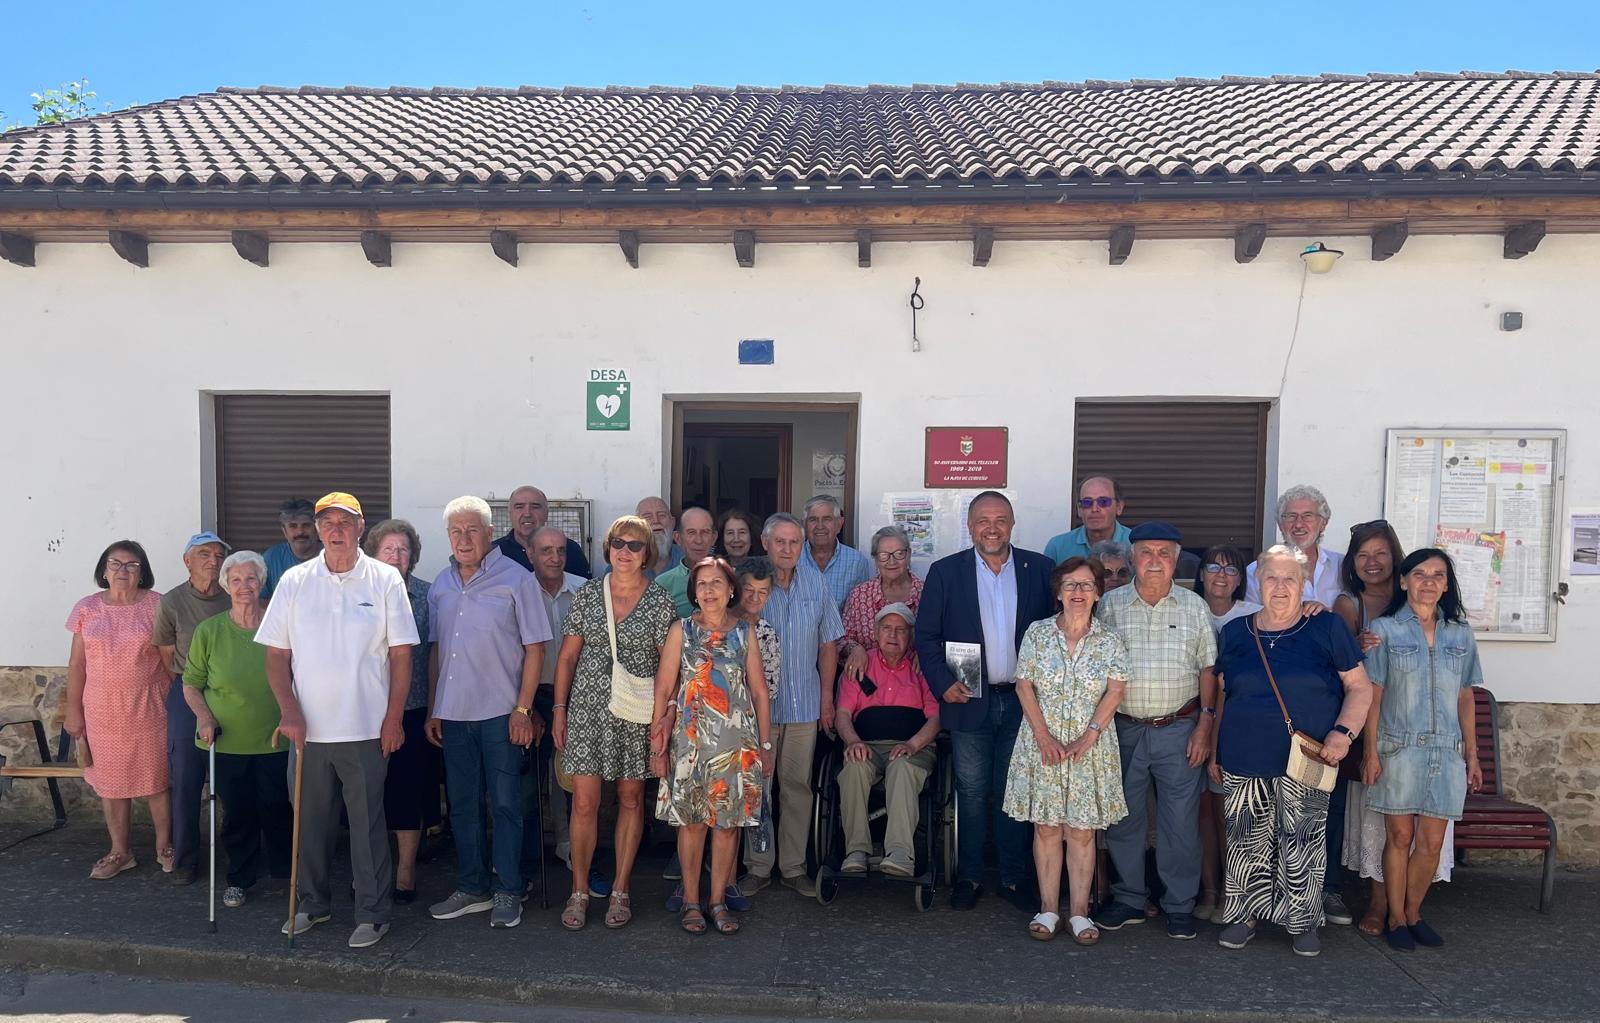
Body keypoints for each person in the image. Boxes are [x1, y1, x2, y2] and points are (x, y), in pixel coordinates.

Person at [256, 492, 419, 949]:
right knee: (309, 824)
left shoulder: (385, 579)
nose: (335, 529)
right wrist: (289, 712)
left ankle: (373, 913)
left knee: (368, 827)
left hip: (367, 729)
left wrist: (393, 719)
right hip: (309, 733)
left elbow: (402, 656)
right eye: (326, 522)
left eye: (344, 521)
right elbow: (275, 657)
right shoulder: (294, 580)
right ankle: (312, 904)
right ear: (318, 527)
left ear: (360, 526)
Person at [1211, 545, 1373, 958]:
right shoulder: (1234, 632)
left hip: (1308, 757)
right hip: (1244, 752)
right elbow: (1226, 695)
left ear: (1303, 585)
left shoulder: (1327, 628)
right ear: (1257, 583)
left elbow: (1359, 687)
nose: (1280, 587)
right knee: (1246, 840)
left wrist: (1343, 734)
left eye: (1289, 579)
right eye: (1271, 578)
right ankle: (1243, 916)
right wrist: (1215, 750)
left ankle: (1301, 921)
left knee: (1302, 839)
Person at [915, 491, 1055, 912]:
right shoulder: (945, 573)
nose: (991, 528)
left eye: (1000, 520)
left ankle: (1013, 879)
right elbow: (926, 637)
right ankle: (970, 877)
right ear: (970, 526)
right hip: (967, 696)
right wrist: (942, 684)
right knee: (972, 792)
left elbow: (1054, 631)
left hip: (1022, 701)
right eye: (982, 520)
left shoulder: (1040, 569)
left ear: (1012, 525)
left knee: (1015, 792)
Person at [425, 497, 551, 930]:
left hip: (502, 713)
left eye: (472, 530)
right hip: (455, 716)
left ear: (488, 532)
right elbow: (438, 650)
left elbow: (536, 649)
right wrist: (436, 709)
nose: (464, 539)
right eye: (456, 531)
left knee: (506, 804)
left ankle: (509, 889)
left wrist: (523, 708)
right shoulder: (440, 584)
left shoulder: (517, 579)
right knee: (462, 805)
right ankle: (472, 885)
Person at [552, 515, 677, 930]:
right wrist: (559, 709)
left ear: (647, 553)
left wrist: (663, 718)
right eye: (619, 543)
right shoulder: (589, 596)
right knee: (584, 802)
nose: (625, 551)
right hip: (588, 711)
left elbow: (668, 666)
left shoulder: (659, 602)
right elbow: (567, 657)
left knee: (629, 798)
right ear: (608, 548)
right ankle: (580, 889)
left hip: (636, 712)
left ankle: (621, 888)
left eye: (635, 545)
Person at [1094, 522, 1217, 939]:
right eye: (1146, 552)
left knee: (1179, 822)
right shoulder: (1108, 606)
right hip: (1122, 728)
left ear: (1177, 559)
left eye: (1165, 553)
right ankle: (1128, 898)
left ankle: (1178, 903)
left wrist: (1205, 724)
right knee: (1123, 819)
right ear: (1132, 557)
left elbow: (1208, 669)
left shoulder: (1194, 606)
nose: (1155, 560)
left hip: (1179, 729)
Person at [1362, 549, 1483, 952]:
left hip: (1447, 752)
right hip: (1398, 749)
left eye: (1437, 575)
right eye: (1419, 574)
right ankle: (1396, 918)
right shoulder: (1384, 630)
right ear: (1403, 581)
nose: (1428, 582)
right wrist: (1371, 752)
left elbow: (1466, 697)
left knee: (1431, 842)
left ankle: (1414, 912)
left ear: (1446, 584)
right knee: (1399, 836)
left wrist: (1473, 754)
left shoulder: (1460, 634)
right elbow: (1373, 697)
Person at [1333, 521, 1451, 936]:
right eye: (1363, 555)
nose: (1372, 562)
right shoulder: (1350, 605)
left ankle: (1409, 910)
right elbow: (1338, 665)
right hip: (1381, 732)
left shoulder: (1420, 603)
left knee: (1418, 832)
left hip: (1428, 737)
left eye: (1380, 553)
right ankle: (1381, 906)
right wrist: (1356, 648)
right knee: (1381, 827)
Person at [1004, 557, 1129, 945]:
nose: (1078, 592)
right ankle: (1047, 908)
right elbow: (1023, 685)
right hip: (1042, 743)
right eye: (1071, 585)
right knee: (1046, 827)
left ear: (1097, 594)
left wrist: (1089, 736)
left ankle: (1078, 913)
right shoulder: (1038, 634)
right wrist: (1043, 736)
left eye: (1086, 585)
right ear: (1058, 592)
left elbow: (1116, 689)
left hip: (1090, 747)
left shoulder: (1109, 640)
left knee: (1081, 831)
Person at [650, 557, 774, 935]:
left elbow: (758, 690)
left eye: (716, 583)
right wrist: (657, 746)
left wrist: (765, 745)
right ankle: (691, 901)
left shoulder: (744, 633)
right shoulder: (681, 631)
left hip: (737, 746)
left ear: (730, 588)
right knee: (691, 826)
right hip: (689, 746)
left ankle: (718, 901)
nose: (708, 591)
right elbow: (664, 688)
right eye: (701, 584)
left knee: (726, 827)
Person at [739, 513, 843, 899]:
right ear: (764, 543)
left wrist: (828, 697)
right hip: (754, 711)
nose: (787, 549)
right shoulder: (749, 586)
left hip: (803, 706)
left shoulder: (816, 582)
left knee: (797, 788)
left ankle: (795, 867)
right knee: (757, 789)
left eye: (794, 543)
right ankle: (759, 866)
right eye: (779, 542)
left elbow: (828, 643)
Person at [182, 550, 291, 908]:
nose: (244, 586)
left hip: (276, 739)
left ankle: (287, 875)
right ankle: (239, 879)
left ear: (262, 583)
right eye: (236, 580)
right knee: (239, 812)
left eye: (251, 579)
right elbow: (191, 683)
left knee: (278, 807)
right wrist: (203, 717)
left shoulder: (281, 625)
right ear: (226, 586)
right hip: (227, 741)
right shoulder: (209, 631)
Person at [63, 540, 173, 880]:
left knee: (156, 781)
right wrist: (73, 710)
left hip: (151, 706)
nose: (123, 571)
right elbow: (77, 665)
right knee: (111, 785)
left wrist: (185, 705)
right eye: (116, 563)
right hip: (102, 711)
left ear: (143, 572)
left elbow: (170, 659)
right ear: (104, 569)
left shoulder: (158, 605)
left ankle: (165, 847)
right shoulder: (86, 608)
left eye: (132, 565)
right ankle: (120, 852)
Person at [834, 603, 940, 879]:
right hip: (867, 746)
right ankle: (856, 851)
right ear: (876, 632)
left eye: (900, 630)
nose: (893, 635)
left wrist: (913, 745)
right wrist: (853, 742)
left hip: (913, 747)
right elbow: (843, 714)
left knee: (902, 767)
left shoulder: (923, 667)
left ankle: (900, 853)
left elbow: (937, 718)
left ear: (910, 635)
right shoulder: (861, 664)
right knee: (854, 769)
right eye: (886, 628)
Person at [363, 519, 438, 905]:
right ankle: (373, 868)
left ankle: (406, 869)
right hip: (363, 711)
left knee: (408, 790)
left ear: (413, 557)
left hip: (412, 707)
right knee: (369, 793)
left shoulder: (428, 595)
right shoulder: (356, 593)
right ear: (374, 554)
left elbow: (437, 653)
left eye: (403, 550)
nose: (396, 556)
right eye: (388, 550)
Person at [152, 530, 232, 886]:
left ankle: (238, 855)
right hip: (188, 691)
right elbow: (168, 657)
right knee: (185, 777)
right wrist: (195, 691)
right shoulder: (171, 601)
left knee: (233, 775)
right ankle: (185, 858)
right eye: (204, 554)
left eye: (218, 555)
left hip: (231, 694)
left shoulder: (234, 597)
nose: (212, 561)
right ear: (187, 561)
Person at [1192, 544, 1261, 921]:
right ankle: (1208, 891)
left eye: (1231, 569)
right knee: (1200, 812)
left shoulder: (1254, 616)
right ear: (1200, 574)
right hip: (1189, 722)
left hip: (1234, 726)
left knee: (1228, 813)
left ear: (1241, 579)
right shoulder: (1186, 608)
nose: (1221, 575)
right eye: (1213, 567)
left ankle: (1236, 895)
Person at [529, 525, 583, 871]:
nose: (554, 557)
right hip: (531, 697)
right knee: (530, 777)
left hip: (575, 697)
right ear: (531, 555)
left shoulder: (583, 590)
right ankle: (529, 852)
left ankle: (569, 843)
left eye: (560, 550)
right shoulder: (518, 591)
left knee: (570, 777)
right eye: (546, 550)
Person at [840, 525, 924, 681]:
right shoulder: (859, 595)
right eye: (884, 555)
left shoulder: (927, 594)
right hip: (868, 689)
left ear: (908, 555)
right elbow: (842, 639)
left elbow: (943, 639)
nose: (891, 561)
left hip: (916, 688)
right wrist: (855, 649)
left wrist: (927, 653)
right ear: (876, 559)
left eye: (899, 554)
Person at [1246, 485, 1345, 607]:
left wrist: (1327, 616)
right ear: (1280, 524)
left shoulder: (1342, 566)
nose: (1298, 524)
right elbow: (1254, 619)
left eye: (1307, 516)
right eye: (1291, 516)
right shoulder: (1255, 571)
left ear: (1323, 523)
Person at [494, 484, 593, 579]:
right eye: (519, 507)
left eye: (535, 507)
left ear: (546, 513)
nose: (527, 514)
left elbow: (585, 590)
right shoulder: (494, 553)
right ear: (510, 513)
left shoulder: (570, 549)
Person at [800, 495, 874, 611]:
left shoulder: (856, 562)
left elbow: (861, 611)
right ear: (804, 525)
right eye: (813, 520)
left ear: (839, 524)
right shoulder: (792, 559)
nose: (820, 526)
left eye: (827, 519)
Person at [1044, 476, 1133, 566]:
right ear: (1079, 509)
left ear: (1119, 507)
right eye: (1087, 502)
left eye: (1103, 502)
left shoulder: (1134, 544)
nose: (1094, 509)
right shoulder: (1057, 547)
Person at [653, 507, 718, 617]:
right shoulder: (664, 583)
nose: (699, 540)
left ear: (713, 538)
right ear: (678, 538)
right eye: (691, 532)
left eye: (705, 532)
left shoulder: (729, 577)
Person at [733, 558, 782, 703]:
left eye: (762, 592)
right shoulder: (716, 621)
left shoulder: (767, 634)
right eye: (748, 590)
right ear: (736, 587)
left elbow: (768, 693)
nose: (754, 598)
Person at [261, 498, 320, 601]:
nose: (300, 531)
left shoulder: (331, 556)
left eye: (306, 525)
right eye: (293, 526)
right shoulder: (271, 558)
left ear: (316, 528)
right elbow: (261, 601)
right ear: (284, 531)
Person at [633, 497, 683, 580]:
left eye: (661, 515)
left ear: (672, 523)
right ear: (636, 526)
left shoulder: (687, 561)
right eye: (647, 517)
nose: (656, 521)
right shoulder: (624, 563)